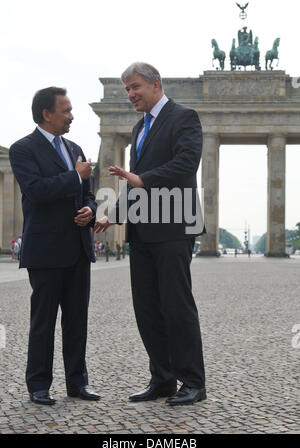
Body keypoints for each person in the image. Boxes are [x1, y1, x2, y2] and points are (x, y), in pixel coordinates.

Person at [94, 62, 206, 406]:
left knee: (176, 305)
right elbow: (134, 181)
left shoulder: (183, 117)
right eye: (127, 89)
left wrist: (143, 179)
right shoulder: (138, 127)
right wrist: (113, 214)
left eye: (135, 87)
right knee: (146, 307)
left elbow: (187, 164)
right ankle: (162, 379)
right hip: (142, 230)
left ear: (156, 84)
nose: (130, 94)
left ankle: (194, 382)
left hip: (174, 226)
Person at [9, 87, 100, 405]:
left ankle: (78, 384)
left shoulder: (75, 147)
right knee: (43, 321)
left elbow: (86, 193)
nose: (72, 115)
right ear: (46, 113)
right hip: (46, 250)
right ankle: (39, 385)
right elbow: (36, 191)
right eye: (66, 110)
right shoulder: (23, 149)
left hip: (77, 248)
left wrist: (90, 210)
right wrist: (75, 177)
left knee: (77, 321)